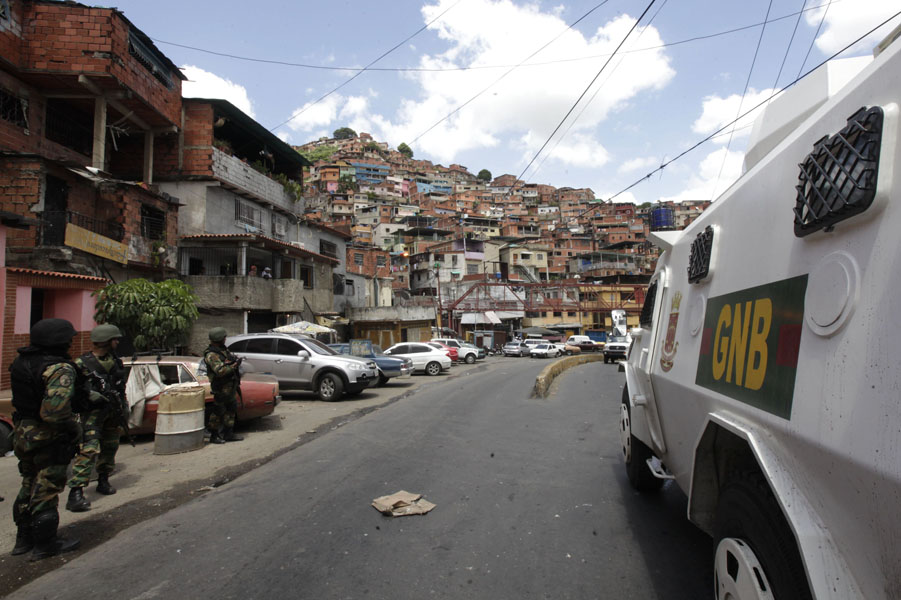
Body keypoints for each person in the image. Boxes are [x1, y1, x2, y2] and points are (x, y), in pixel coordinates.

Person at [9, 318, 84, 560]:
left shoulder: (20, 363)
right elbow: (54, 412)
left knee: (28, 482)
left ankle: (23, 539)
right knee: (47, 485)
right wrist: (73, 428)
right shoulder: (59, 369)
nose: (71, 343)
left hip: (22, 432)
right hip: (47, 435)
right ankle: (45, 543)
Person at [65, 324, 127, 513]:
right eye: (115, 339)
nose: (117, 342)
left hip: (112, 411)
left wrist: (123, 406)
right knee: (89, 449)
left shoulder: (115, 361)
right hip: (92, 413)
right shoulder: (82, 363)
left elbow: (120, 385)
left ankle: (103, 479)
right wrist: (88, 396)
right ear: (106, 341)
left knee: (110, 446)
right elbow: (73, 392)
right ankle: (76, 491)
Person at [202, 328, 244, 444]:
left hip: (230, 386)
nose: (225, 339)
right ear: (219, 339)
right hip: (221, 387)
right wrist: (234, 366)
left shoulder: (222, 350)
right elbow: (220, 371)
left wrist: (232, 361)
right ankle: (214, 435)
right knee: (218, 411)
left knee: (231, 410)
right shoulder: (211, 354)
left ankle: (228, 433)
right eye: (224, 337)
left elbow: (226, 362)